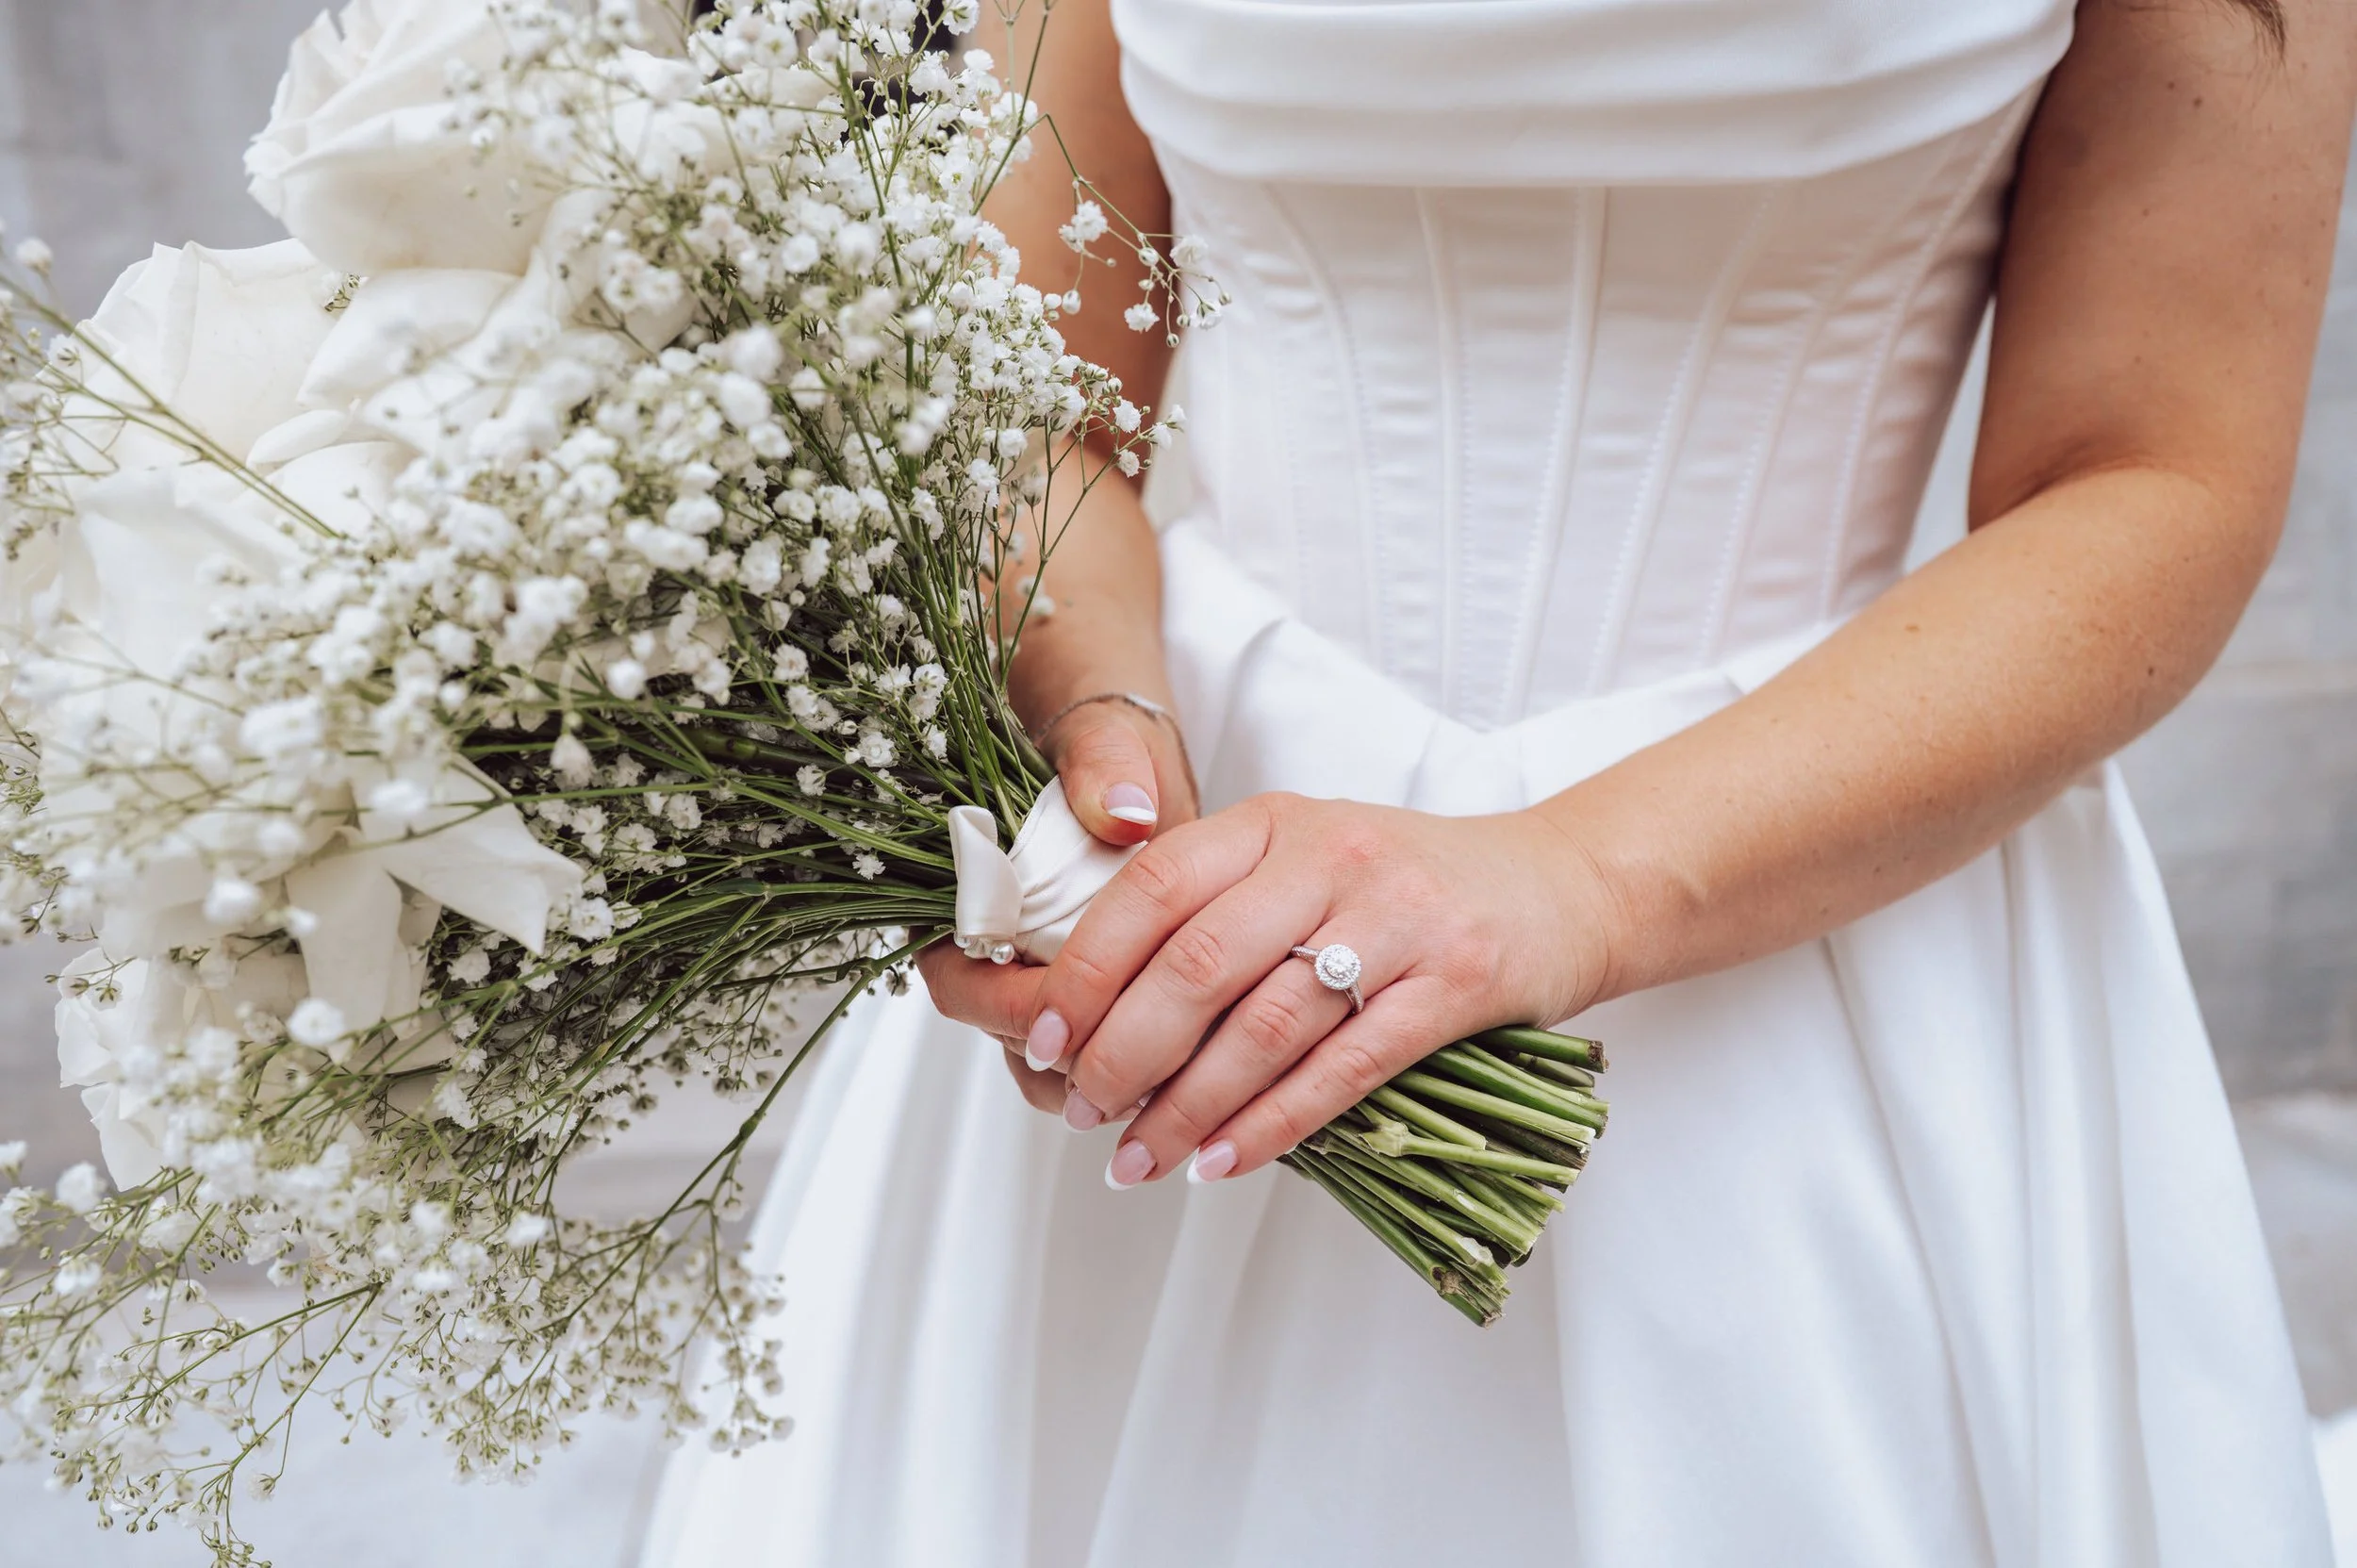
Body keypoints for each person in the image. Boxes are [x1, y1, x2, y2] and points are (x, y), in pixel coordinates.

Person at [643, 1, 2355, 1562]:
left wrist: (1573, 878)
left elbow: (2154, 467)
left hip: (1799, 880)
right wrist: (1096, 727)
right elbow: (1036, 391)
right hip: (1202, 875)